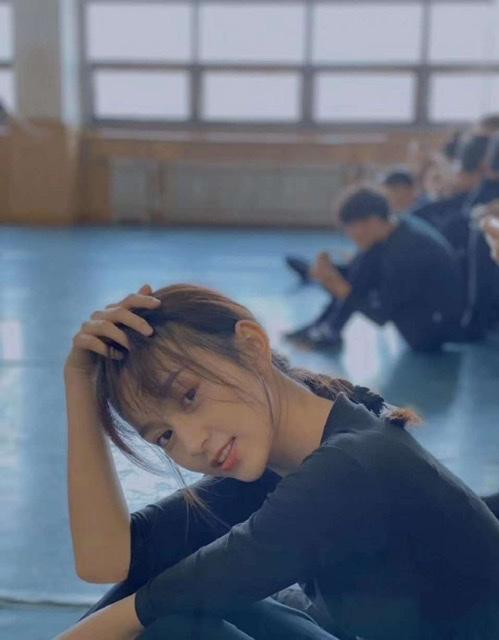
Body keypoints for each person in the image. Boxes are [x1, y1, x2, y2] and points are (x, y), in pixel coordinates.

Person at [58, 282, 499, 640]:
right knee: (167, 600)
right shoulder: (277, 458)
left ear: (252, 346)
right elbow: (109, 561)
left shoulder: (350, 465)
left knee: (169, 625)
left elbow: (146, 609)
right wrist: (81, 383)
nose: (192, 443)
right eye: (165, 436)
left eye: (189, 395)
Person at [284, 187, 465, 352]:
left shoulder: (405, 253)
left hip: (431, 332)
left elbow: (380, 316)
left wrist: (339, 287)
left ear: (372, 221)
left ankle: (329, 328)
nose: (348, 235)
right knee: (363, 261)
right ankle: (328, 327)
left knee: (360, 266)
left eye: (350, 228)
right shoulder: (395, 226)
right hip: (421, 306)